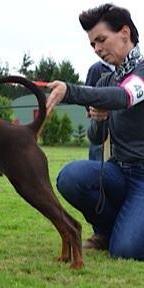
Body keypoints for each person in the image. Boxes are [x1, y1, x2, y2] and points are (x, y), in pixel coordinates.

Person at [46, 3, 144, 260]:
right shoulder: (105, 81)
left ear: (125, 33)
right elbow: (96, 138)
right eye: (92, 44)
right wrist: (100, 120)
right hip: (117, 170)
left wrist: (72, 91)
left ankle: (127, 229)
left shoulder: (141, 72)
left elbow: (125, 96)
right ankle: (108, 229)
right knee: (70, 177)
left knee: (126, 251)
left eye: (101, 40)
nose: (97, 49)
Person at [85, 60, 114, 161]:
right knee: (98, 155)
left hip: (119, 127)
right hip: (101, 125)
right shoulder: (96, 69)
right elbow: (88, 94)